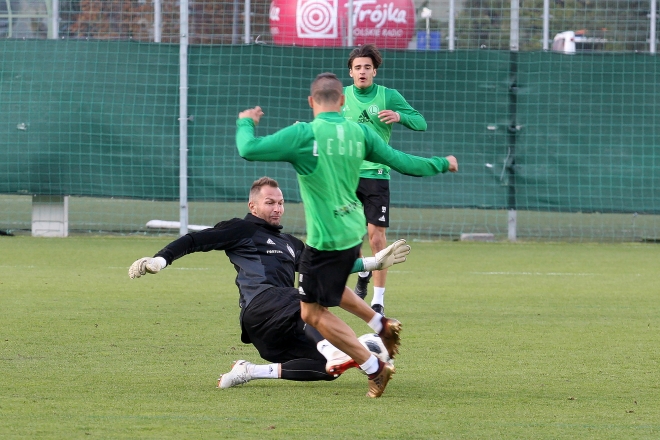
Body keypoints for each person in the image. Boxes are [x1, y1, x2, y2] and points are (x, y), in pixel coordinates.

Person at [236, 72, 457, 397]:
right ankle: (382, 325)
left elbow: (248, 148)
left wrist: (246, 122)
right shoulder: (360, 132)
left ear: (311, 102)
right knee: (329, 291)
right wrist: (442, 163)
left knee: (311, 312)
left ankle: (374, 367)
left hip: (325, 241)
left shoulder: (303, 134)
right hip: (353, 233)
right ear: (342, 101)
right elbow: (403, 162)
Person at [128, 177, 410, 389]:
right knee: (307, 298)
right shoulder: (241, 228)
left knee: (327, 371)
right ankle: (348, 346)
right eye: (270, 202)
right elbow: (194, 240)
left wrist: (375, 263)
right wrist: (160, 260)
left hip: (279, 330)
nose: (278, 208)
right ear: (253, 206)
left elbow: (328, 269)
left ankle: (249, 371)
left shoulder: (291, 243)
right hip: (261, 309)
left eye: (281, 202)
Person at [342, 43, 429, 316]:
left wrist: (400, 116)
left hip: (377, 175)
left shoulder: (388, 96)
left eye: (367, 67)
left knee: (377, 238)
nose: (363, 71)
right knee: (349, 239)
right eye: (358, 68)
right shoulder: (341, 97)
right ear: (351, 73)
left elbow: (421, 122)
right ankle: (363, 273)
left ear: (375, 71)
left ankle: (377, 301)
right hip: (346, 177)